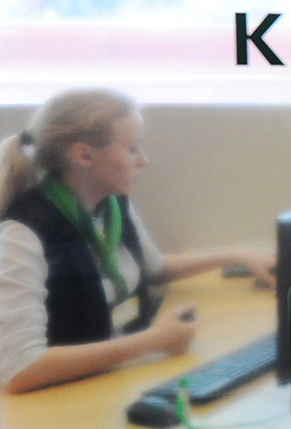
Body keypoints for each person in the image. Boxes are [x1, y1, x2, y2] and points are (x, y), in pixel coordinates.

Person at [0, 89, 275, 393]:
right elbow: (20, 369)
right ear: (84, 155)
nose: (143, 160)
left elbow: (156, 269)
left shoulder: (113, 204)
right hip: (67, 397)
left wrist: (237, 256)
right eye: (133, 149)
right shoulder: (22, 233)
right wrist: (151, 341)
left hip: (122, 376)